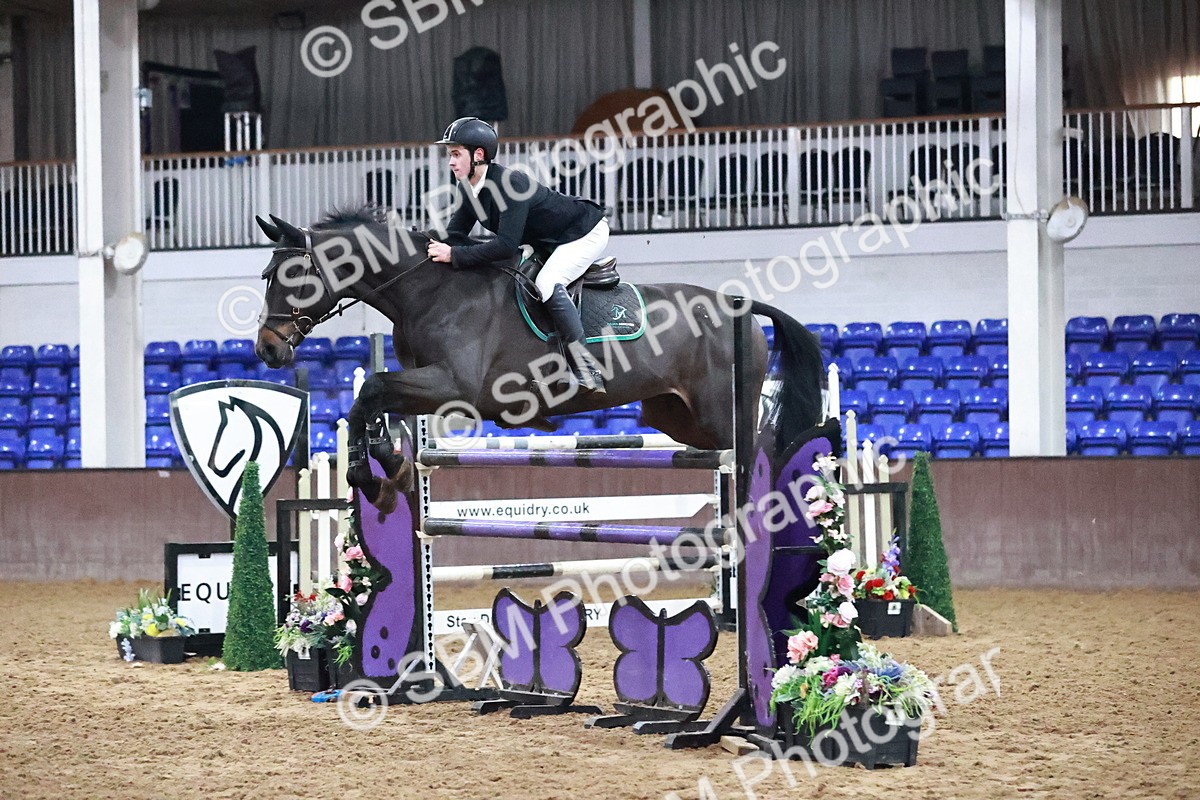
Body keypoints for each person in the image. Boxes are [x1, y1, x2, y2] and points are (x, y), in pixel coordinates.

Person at [425, 117, 610, 395]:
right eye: (449, 155)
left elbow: (505, 247)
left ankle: (586, 368)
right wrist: (422, 244)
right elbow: (456, 234)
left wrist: (455, 254)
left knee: (547, 283)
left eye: (455, 154)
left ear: (478, 155)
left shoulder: (511, 183)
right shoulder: (469, 188)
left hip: (584, 232)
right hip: (547, 240)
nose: (450, 162)